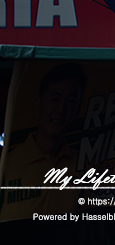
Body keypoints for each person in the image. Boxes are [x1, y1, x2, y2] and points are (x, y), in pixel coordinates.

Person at [0, 63, 86, 220]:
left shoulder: (82, 164)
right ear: (38, 105)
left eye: (70, 101)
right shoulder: (8, 163)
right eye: (55, 99)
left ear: (78, 109)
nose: (61, 109)